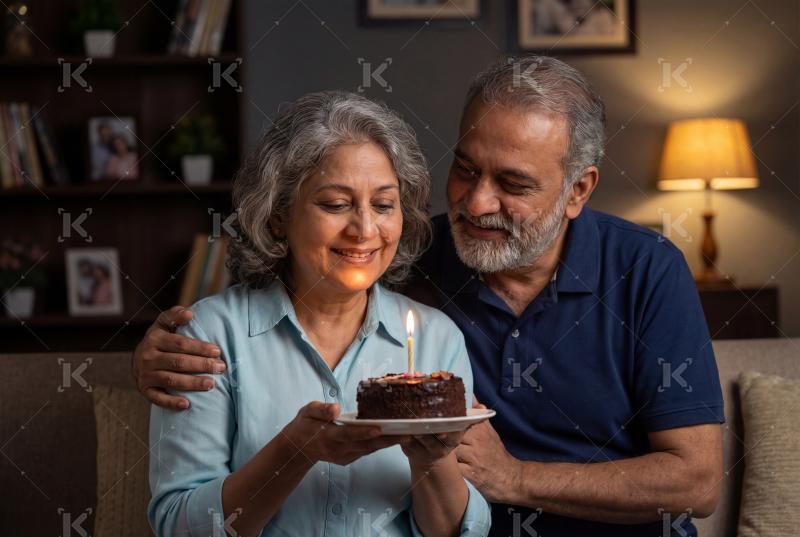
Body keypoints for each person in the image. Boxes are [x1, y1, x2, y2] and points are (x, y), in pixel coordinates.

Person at [134, 55, 724, 537]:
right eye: (466, 170)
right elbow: (289, 298)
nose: (475, 203)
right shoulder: (411, 255)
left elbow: (696, 484)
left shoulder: (646, 271)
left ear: (578, 191)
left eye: (513, 184)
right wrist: (153, 352)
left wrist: (514, 478)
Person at [146, 91, 490, 537]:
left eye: (383, 205)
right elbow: (179, 527)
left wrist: (433, 458)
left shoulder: (437, 338)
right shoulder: (209, 336)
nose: (365, 230)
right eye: (335, 204)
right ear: (277, 217)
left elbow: (452, 532)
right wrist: (295, 451)